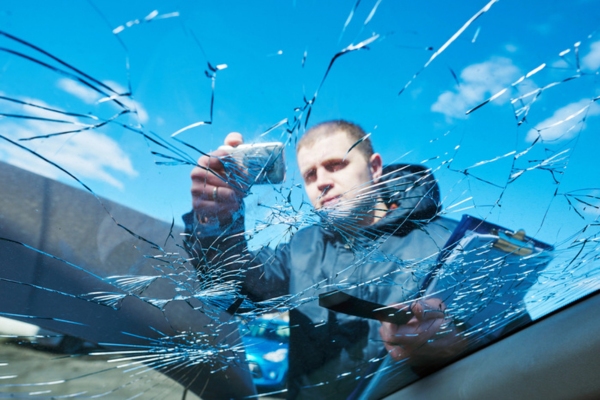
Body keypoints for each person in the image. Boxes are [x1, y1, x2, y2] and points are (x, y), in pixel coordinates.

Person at [183, 120, 465, 399]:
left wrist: (455, 342)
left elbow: (496, 339)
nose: (322, 183)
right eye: (309, 175)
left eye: (335, 165)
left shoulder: (451, 242)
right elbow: (235, 290)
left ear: (374, 167)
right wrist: (216, 221)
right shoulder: (303, 244)